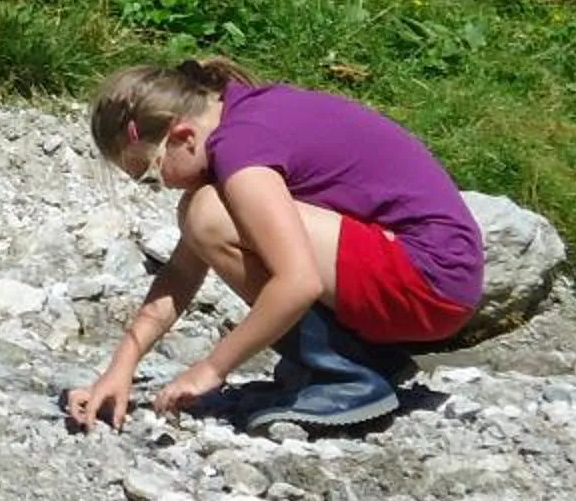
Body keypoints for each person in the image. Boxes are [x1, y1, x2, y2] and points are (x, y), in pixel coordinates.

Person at [62, 57, 484, 436]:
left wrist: (211, 369)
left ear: (185, 136)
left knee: (205, 213)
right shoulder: (239, 115)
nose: (163, 187)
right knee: (203, 213)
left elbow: (298, 281)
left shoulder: (242, 148)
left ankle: (345, 375)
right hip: (432, 274)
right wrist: (121, 369)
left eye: (151, 175)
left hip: (431, 277)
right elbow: (181, 273)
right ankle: (362, 359)